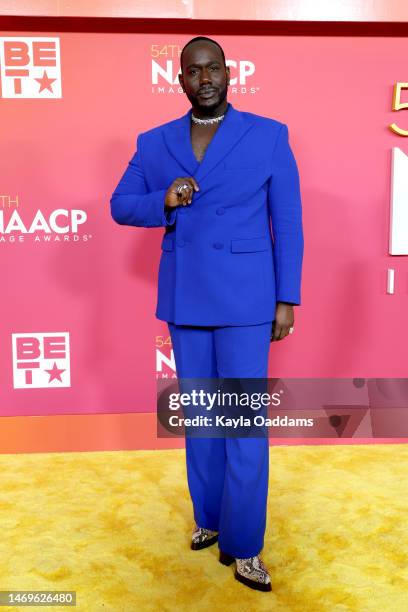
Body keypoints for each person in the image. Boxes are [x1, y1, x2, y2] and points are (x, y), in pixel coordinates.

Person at [110, 35, 304, 592]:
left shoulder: (268, 135)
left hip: (247, 301)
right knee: (201, 419)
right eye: (192, 71)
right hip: (187, 299)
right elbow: (121, 204)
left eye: (212, 67)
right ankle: (210, 519)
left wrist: (285, 298)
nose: (205, 78)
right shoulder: (154, 142)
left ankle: (244, 546)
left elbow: (286, 222)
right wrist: (162, 201)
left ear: (228, 71)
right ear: (180, 79)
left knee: (242, 422)